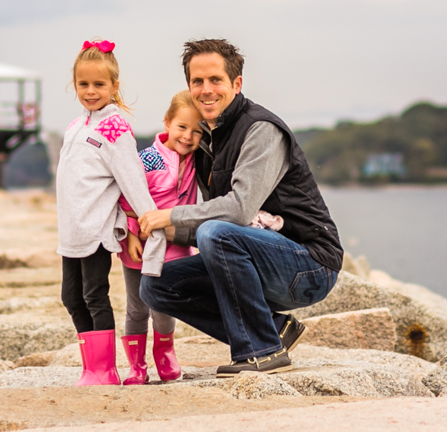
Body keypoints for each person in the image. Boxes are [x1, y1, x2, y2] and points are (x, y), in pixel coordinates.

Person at [138, 38, 342, 373]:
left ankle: (261, 351)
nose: (206, 90)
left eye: (215, 80)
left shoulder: (261, 129)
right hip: (259, 258)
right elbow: (213, 227)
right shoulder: (208, 139)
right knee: (156, 284)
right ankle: (274, 330)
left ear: (236, 83)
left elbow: (237, 212)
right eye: (197, 81)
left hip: (310, 266)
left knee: (218, 232)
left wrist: (170, 216)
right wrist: (153, 229)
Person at [57, 40, 161, 385]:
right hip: (71, 231)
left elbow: (132, 181)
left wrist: (149, 221)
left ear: (114, 87)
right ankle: (91, 365)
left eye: (99, 84)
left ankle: (105, 370)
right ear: (75, 85)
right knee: (70, 297)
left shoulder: (114, 129)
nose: (90, 91)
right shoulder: (76, 126)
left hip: (98, 229)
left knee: (94, 296)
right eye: (83, 84)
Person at [114, 91, 202, 384]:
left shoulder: (198, 161)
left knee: (163, 305)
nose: (188, 137)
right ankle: (136, 365)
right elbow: (127, 194)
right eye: (181, 127)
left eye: (197, 131)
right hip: (140, 243)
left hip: (174, 245)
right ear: (167, 123)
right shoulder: (148, 159)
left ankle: (165, 352)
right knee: (137, 307)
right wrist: (130, 233)